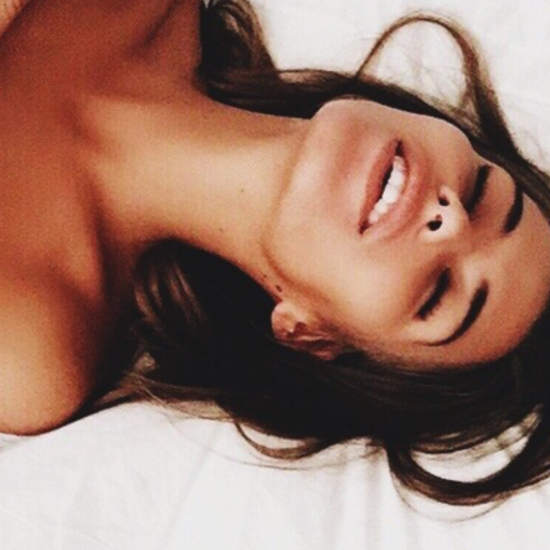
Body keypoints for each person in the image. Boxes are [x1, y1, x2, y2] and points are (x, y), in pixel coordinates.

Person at [2, 0, 550, 506]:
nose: (450, 219)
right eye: (482, 193)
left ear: (310, 334)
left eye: (438, 294)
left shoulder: (32, 346)